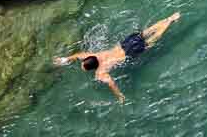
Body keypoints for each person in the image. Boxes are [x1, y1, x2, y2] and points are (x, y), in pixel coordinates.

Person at [52, 12, 182, 102]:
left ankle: (170, 21)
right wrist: (66, 59)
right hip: (124, 44)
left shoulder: (100, 72)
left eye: (84, 66)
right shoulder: (94, 55)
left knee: (152, 40)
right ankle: (168, 18)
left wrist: (119, 96)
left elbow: (112, 84)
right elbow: (78, 55)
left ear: (93, 68)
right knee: (146, 32)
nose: (82, 64)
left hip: (129, 53)